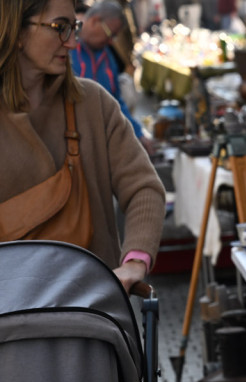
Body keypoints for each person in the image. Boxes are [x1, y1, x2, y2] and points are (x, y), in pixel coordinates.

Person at [0, 0, 165, 292]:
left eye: (74, 28)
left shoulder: (93, 103)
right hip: (12, 321)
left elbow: (144, 187)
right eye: (60, 28)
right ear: (17, 32)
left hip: (94, 314)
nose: (73, 43)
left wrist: (135, 260)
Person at [70, 1, 152, 152]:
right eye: (111, 34)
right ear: (95, 21)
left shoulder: (107, 56)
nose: (111, 41)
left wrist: (138, 133)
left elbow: (116, 101)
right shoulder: (66, 48)